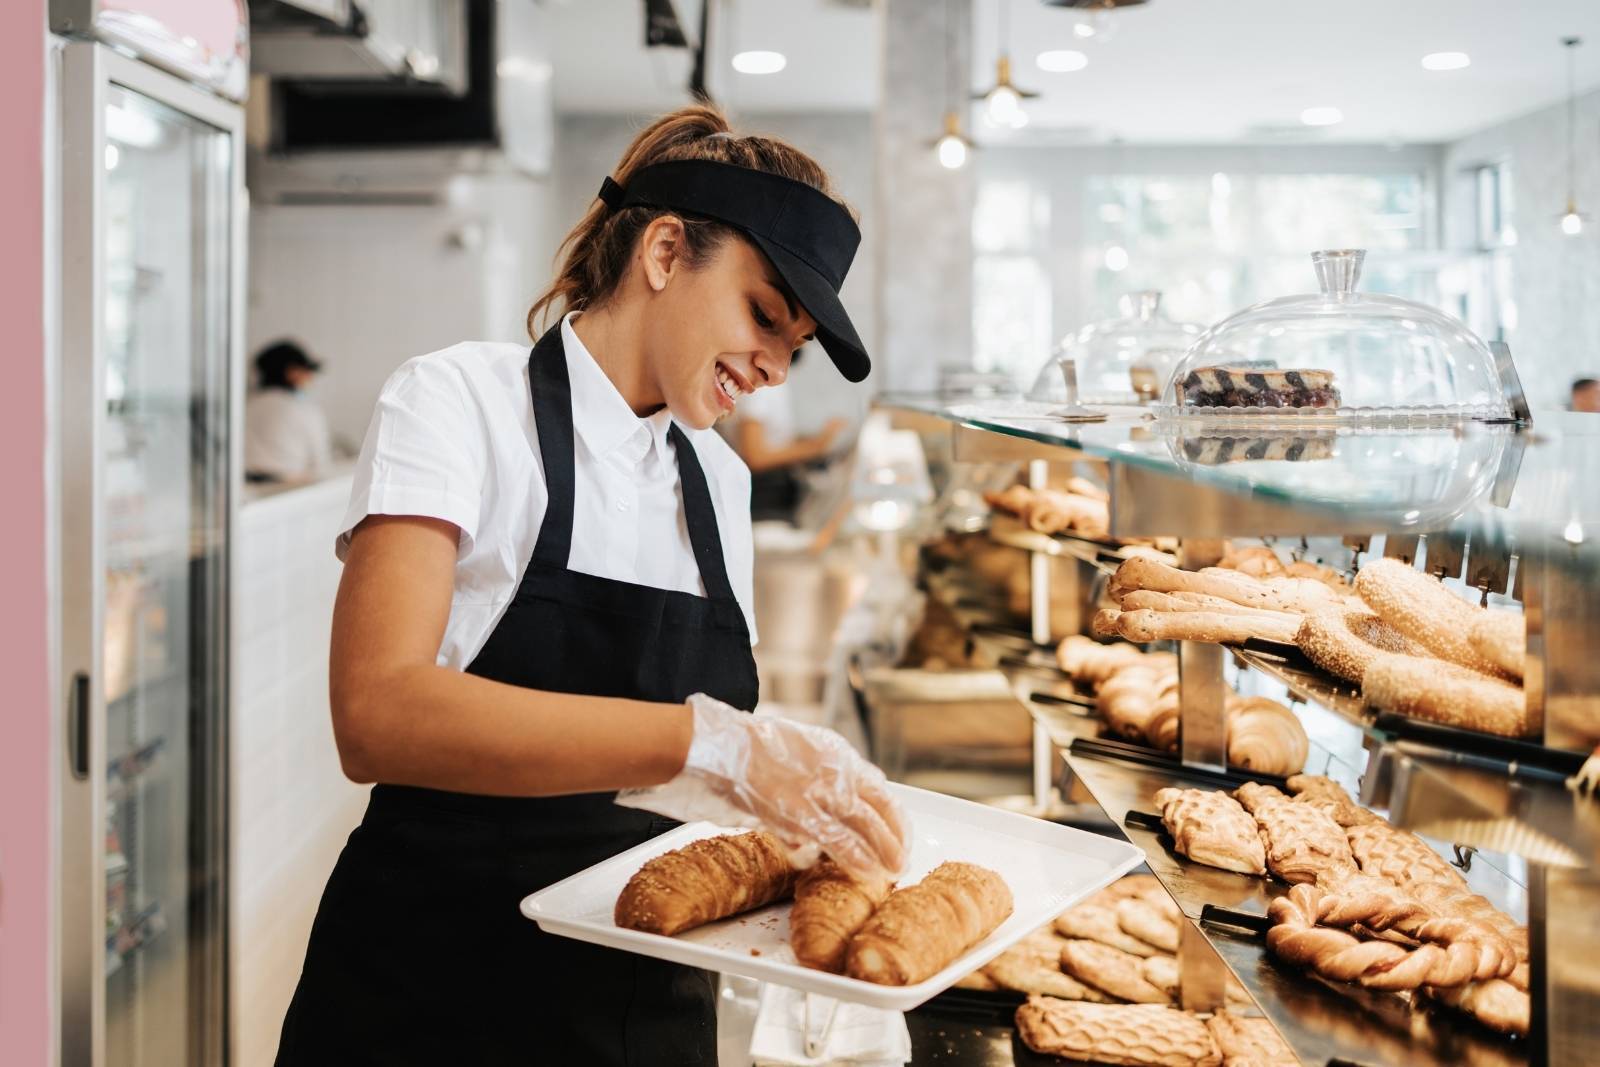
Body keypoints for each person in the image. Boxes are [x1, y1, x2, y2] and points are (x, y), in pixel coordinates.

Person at [274, 106, 908, 1066]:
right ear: (663, 252)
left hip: (647, 1002)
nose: (777, 366)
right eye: (765, 313)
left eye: (799, 343)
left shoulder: (719, 481)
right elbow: (376, 712)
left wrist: (783, 816)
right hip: (433, 992)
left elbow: (674, 794)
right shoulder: (457, 402)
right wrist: (714, 742)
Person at [726, 345, 851, 520]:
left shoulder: (777, 387)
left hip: (775, 487)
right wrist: (816, 446)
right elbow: (755, 456)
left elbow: (776, 440)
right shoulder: (761, 390)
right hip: (762, 491)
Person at [244, 340, 333, 482]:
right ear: (292, 372)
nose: (310, 378)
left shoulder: (247, 407)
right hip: (291, 490)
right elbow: (320, 463)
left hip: (251, 489)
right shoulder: (304, 410)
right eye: (306, 371)